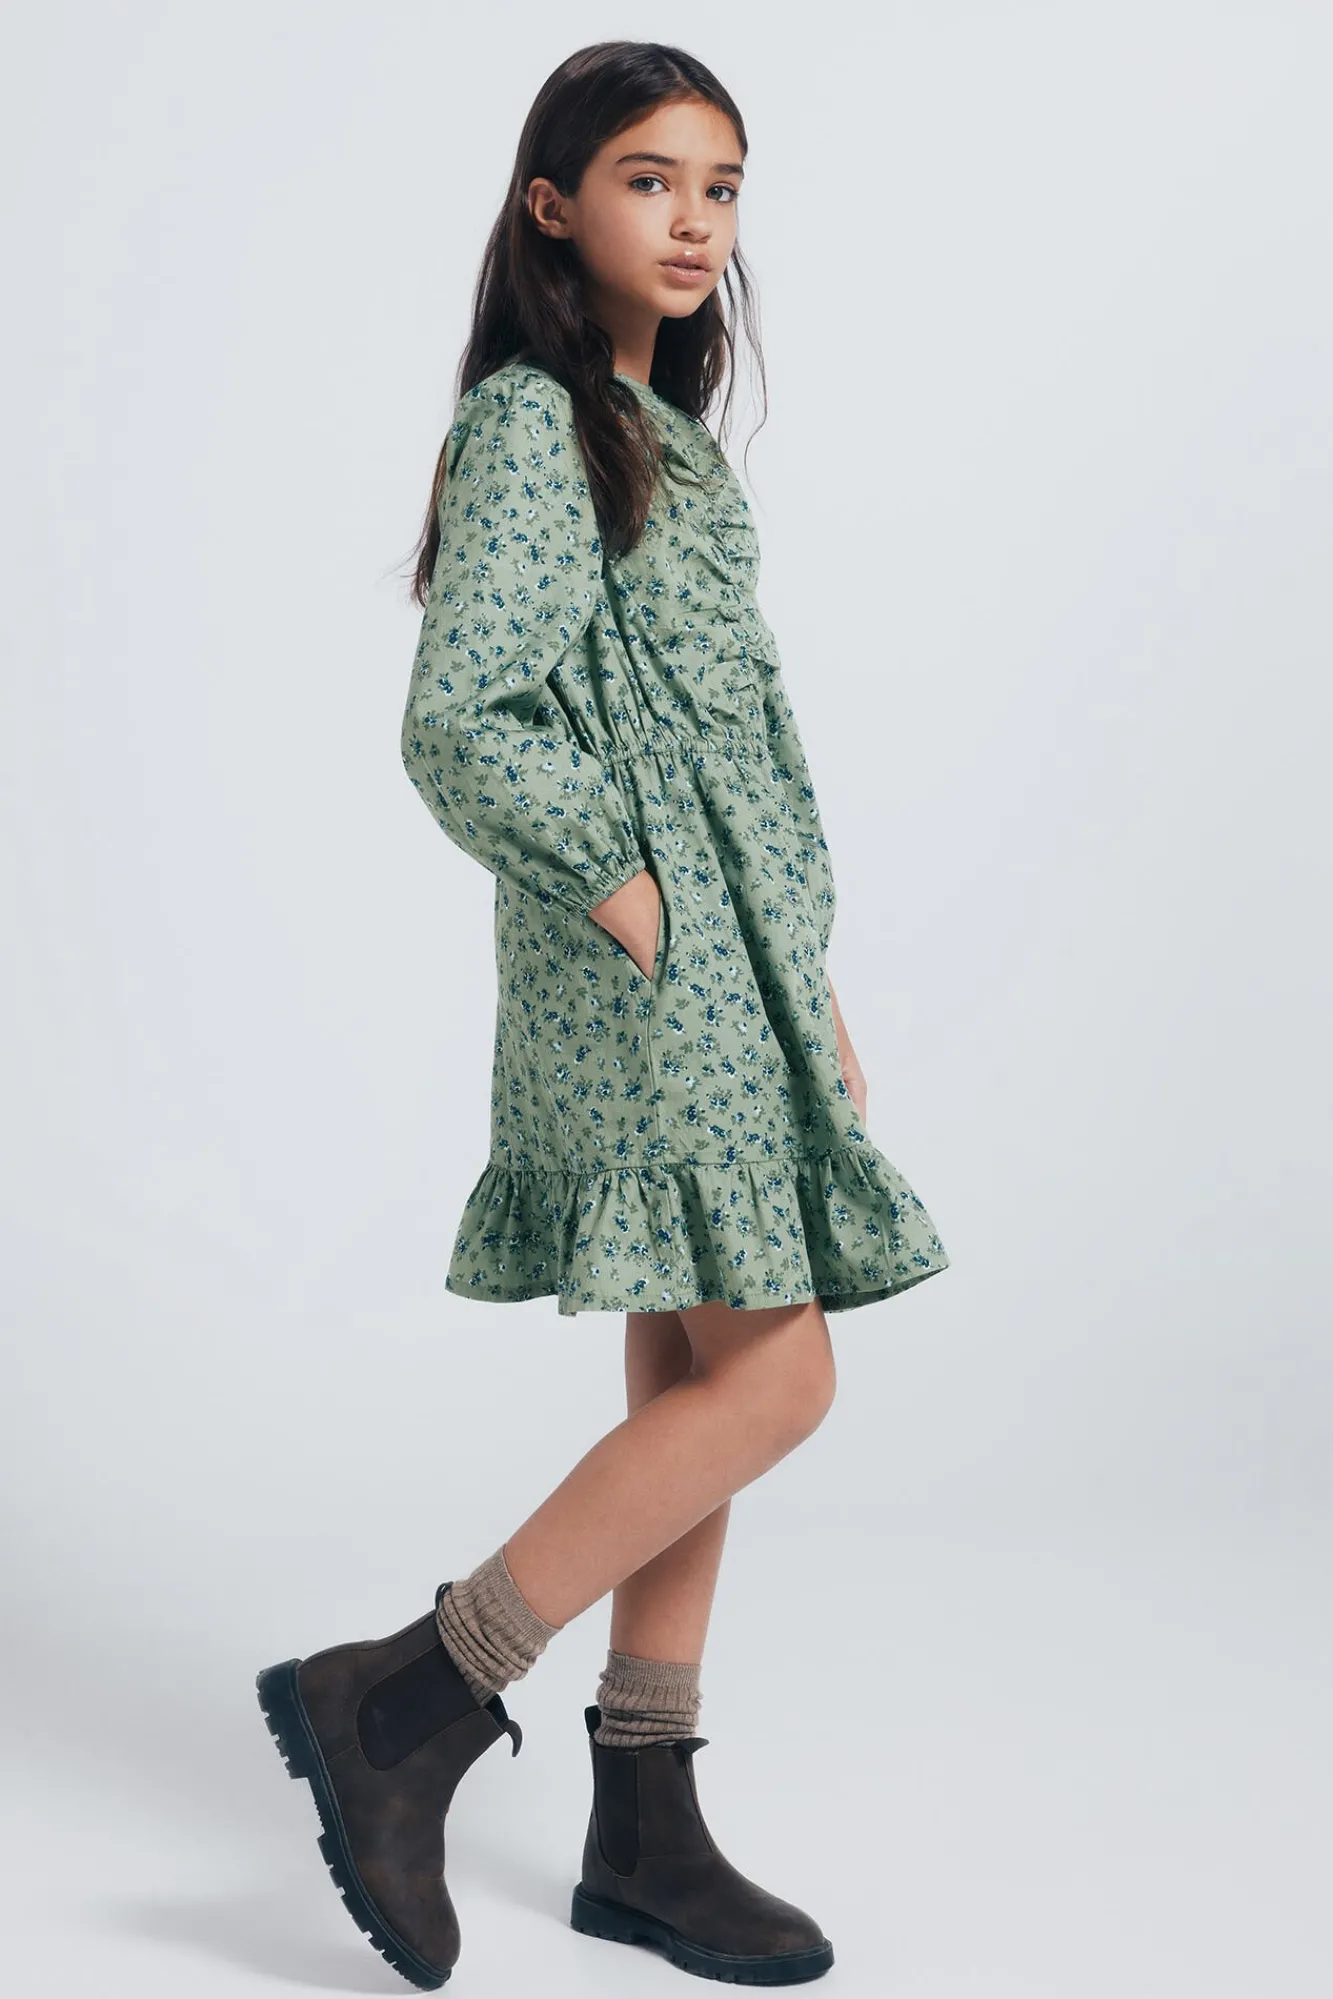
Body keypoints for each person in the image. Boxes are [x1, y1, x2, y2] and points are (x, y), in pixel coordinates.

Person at [256, 38, 949, 1992]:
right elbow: (462, 720)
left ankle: (643, 1818)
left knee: (689, 1380)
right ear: (553, 207)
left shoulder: (669, 442)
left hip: (727, 971)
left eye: (722, 187)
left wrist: (800, 973)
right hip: (642, 979)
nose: (697, 221)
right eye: (653, 179)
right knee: (782, 1377)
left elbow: (735, 746)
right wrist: (638, 898)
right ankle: (412, 1693)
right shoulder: (530, 427)